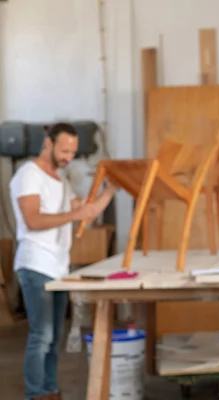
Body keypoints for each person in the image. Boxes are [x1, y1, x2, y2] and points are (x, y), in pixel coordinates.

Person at [9, 122, 117, 400]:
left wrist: (109, 191)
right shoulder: (28, 175)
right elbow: (33, 220)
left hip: (57, 267)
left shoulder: (60, 180)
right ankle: (35, 394)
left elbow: (84, 212)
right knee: (41, 335)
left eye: (73, 151)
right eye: (64, 150)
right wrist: (74, 216)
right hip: (35, 265)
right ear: (48, 143)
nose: (69, 156)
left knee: (55, 335)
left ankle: (50, 390)